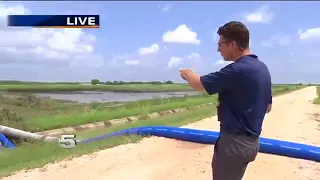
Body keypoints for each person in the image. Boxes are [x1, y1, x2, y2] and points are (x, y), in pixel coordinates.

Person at [179, 21, 272, 180]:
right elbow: (268, 106)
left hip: (234, 144)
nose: (218, 49)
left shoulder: (237, 70)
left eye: (221, 44)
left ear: (233, 44)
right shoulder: (262, 68)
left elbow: (198, 83)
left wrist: (187, 73)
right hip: (251, 143)